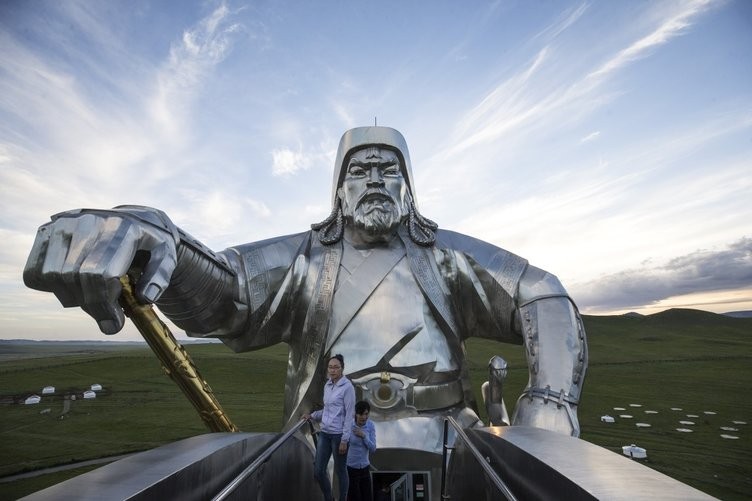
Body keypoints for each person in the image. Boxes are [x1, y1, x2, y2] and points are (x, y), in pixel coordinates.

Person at [23, 126, 587, 458]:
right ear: (338, 188)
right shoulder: (305, 258)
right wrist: (158, 240)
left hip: (450, 441)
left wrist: (551, 401)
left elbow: (541, 293)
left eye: (388, 169)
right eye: (359, 168)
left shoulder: (447, 257)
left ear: (408, 187)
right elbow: (226, 294)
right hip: (325, 444)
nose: (373, 179)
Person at [303, 354, 355, 501]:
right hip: (325, 434)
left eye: (336, 367)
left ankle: (343, 498)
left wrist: (345, 440)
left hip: (339, 436)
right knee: (319, 471)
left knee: (340, 471)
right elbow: (327, 409)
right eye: (330, 367)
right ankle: (329, 498)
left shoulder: (347, 388)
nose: (332, 370)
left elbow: (349, 415)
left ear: (342, 369)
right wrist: (312, 415)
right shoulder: (328, 385)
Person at [347, 400, 376, 501]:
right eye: (361, 414)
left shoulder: (371, 425)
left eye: (366, 414)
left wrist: (364, 436)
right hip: (351, 468)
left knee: (367, 497)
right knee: (354, 497)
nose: (364, 417)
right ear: (356, 414)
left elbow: (373, 448)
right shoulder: (349, 425)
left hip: (364, 467)